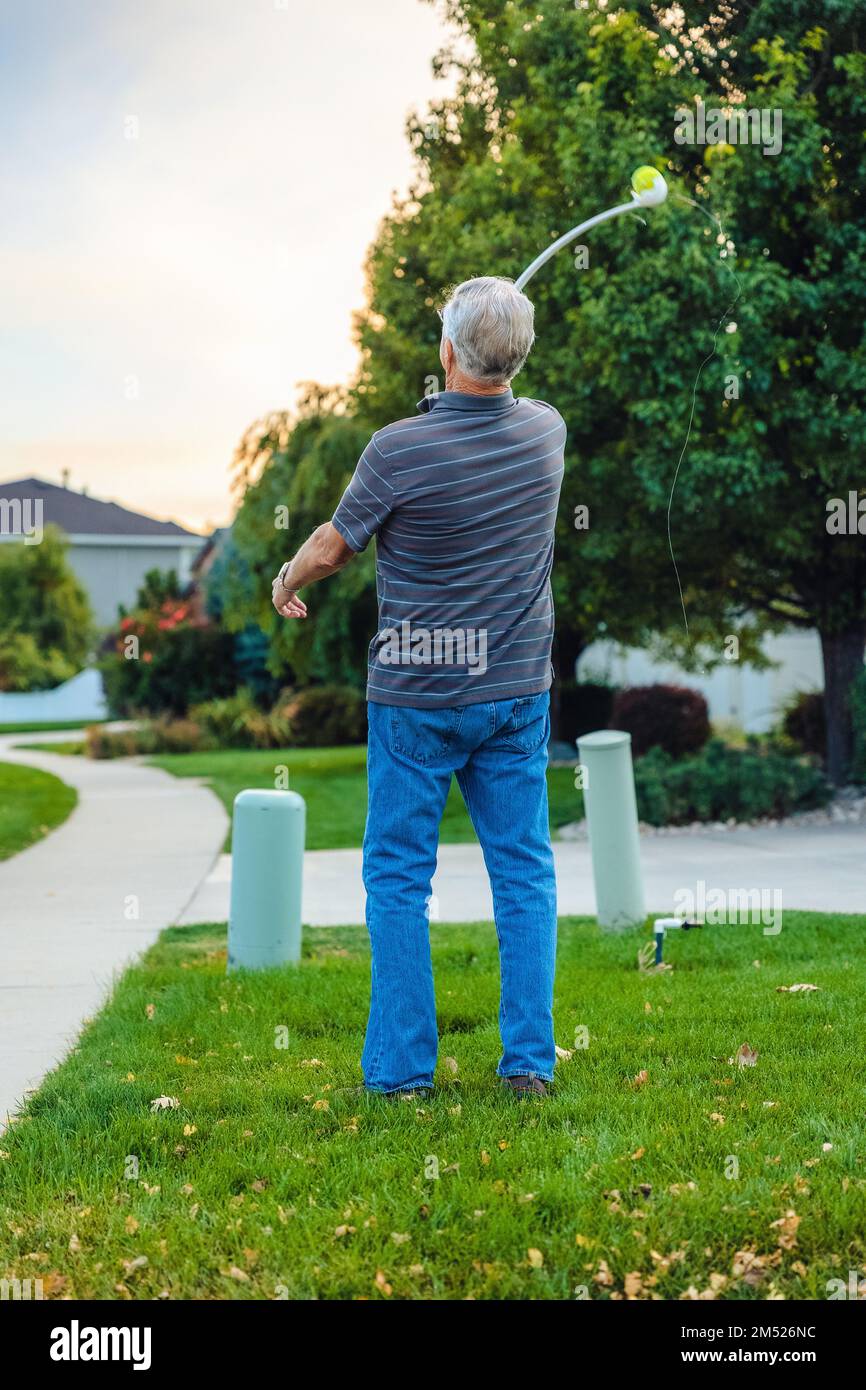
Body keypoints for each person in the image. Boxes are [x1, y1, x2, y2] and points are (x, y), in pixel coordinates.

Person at [272, 276, 566, 1099]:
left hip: (417, 697)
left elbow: (332, 548)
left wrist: (284, 578)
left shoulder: (398, 450)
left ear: (445, 353)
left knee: (399, 875)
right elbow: (511, 393)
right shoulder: (547, 432)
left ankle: (403, 1076)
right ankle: (528, 1069)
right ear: (521, 356)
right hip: (515, 693)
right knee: (524, 872)